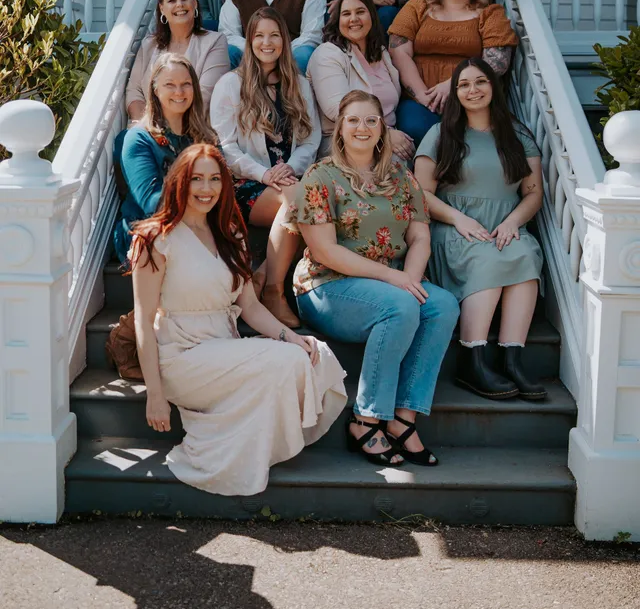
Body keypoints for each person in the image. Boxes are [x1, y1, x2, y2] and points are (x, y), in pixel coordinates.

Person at [129, 143, 347, 497]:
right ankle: (227, 453)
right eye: (196, 179)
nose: (206, 188)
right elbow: (143, 320)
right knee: (285, 362)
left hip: (223, 349)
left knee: (309, 352)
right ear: (179, 182)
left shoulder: (231, 234)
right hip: (180, 356)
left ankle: (248, 448)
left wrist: (289, 336)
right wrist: (154, 394)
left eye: (215, 179)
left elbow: (251, 306)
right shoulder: (154, 238)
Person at [284, 90, 459, 467]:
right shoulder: (320, 176)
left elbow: (419, 236)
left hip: (391, 282)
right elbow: (326, 251)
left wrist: (411, 278)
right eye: (353, 120)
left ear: (382, 128)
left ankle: (402, 418)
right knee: (400, 307)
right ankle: (365, 417)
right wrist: (395, 282)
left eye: (370, 120)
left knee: (443, 305)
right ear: (340, 129)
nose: (362, 127)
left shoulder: (401, 175)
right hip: (327, 284)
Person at [414, 58, 546, 402]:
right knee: (486, 261)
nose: (472, 90)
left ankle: (511, 359)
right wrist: (458, 219)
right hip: (457, 227)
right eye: (463, 85)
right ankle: (472, 360)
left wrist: (514, 221)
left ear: (493, 87)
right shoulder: (442, 133)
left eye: (480, 82)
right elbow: (419, 193)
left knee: (526, 255)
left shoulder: (517, 134)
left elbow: (533, 193)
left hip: (505, 224)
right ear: (455, 93)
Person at [210, 7, 321, 328]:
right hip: (247, 184)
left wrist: (286, 170)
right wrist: (265, 174)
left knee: (305, 203)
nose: (267, 42)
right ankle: (274, 291)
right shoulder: (231, 84)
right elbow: (225, 147)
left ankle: (262, 280)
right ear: (249, 41)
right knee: (305, 205)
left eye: (274, 35)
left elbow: (311, 141)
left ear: (285, 41)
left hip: (291, 180)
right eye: (259, 35)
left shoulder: (298, 85)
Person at [389, 0, 517, 146]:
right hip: (419, 99)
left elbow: (497, 62)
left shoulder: (490, 14)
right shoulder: (418, 5)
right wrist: (423, 96)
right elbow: (399, 52)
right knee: (417, 128)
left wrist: (454, 85)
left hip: (470, 97)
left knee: (467, 138)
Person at [114, 54, 218, 265]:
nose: (179, 92)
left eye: (186, 84)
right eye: (170, 84)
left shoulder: (205, 137)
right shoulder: (138, 139)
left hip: (197, 225)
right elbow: (153, 203)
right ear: (155, 89)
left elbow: (222, 188)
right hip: (149, 232)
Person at [307, 0, 413, 160]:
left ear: (371, 16)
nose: (354, 19)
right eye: (346, 14)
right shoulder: (327, 54)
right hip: (342, 140)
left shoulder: (381, 53)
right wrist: (385, 135)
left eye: (360, 12)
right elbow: (338, 110)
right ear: (338, 21)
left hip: (385, 135)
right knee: (395, 163)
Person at [126, 0, 228, 121]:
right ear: (162, 9)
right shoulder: (148, 44)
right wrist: (147, 127)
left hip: (192, 129)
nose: (179, 4)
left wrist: (168, 129)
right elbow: (134, 91)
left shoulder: (215, 42)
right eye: (171, 1)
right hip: (147, 127)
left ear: (195, 4)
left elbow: (205, 98)